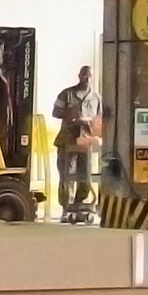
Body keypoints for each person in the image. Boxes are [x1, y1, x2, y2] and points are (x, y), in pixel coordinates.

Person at [52, 64, 101, 215]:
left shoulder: (96, 98)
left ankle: (80, 205)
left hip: (86, 142)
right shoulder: (66, 94)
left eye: (90, 76)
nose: (87, 78)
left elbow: (99, 119)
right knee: (67, 175)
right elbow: (55, 112)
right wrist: (69, 114)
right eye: (84, 75)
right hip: (67, 140)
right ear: (79, 76)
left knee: (85, 175)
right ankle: (66, 207)